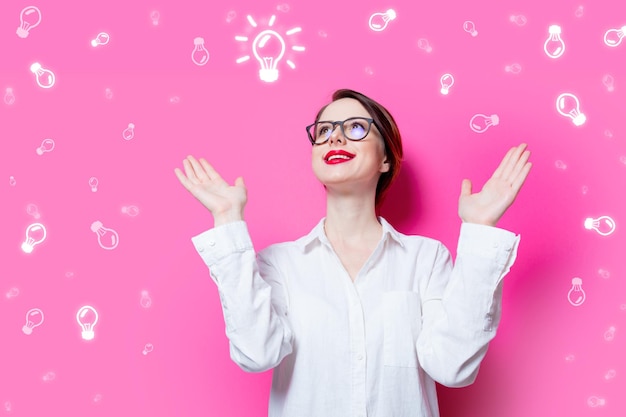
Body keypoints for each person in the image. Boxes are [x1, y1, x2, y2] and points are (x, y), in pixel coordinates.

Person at [174, 89, 532, 417]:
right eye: (324, 129)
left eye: (357, 127)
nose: (336, 136)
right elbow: (256, 354)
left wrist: (480, 230)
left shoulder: (426, 259)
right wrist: (227, 220)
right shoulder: (279, 263)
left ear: (386, 160)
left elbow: (453, 367)